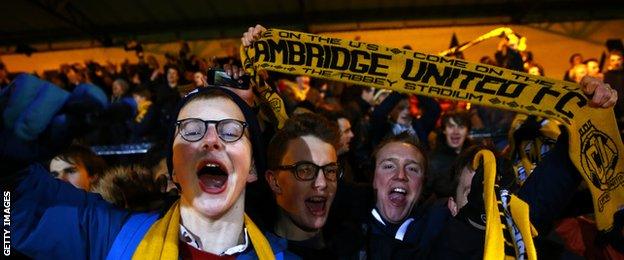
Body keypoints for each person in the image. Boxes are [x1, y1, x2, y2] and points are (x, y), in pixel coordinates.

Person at [4, 74, 289, 258]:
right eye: (191, 130)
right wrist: (8, 173)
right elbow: (13, 217)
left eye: (230, 131)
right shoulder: (106, 235)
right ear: (174, 169)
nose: (211, 140)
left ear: (252, 167)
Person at [264, 113, 341, 258]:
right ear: (274, 181)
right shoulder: (255, 253)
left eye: (330, 170)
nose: (322, 183)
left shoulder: (353, 248)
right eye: (305, 170)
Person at [427, 111, 473, 198]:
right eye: (451, 126)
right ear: (444, 130)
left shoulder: (475, 156)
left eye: (461, 127)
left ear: (467, 131)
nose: (456, 131)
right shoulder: (433, 160)